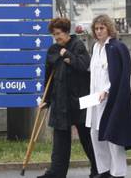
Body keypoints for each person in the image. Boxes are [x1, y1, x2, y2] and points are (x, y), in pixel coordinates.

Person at [38, 18, 98, 178]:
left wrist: (68, 55)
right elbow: (48, 77)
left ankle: (98, 169)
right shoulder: (53, 50)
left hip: (79, 99)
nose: (56, 37)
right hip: (60, 100)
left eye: (58, 33)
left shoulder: (77, 45)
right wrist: (46, 99)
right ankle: (56, 173)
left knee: (87, 138)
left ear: (66, 32)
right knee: (60, 141)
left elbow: (85, 65)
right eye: (54, 34)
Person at [86, 14, 131, 178]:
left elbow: (119, 75)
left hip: (111, 99)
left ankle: (118, 173)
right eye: (96, 28)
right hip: (95, 100)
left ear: (109, 28)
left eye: (102, 28)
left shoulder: (117, 47)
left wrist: (107, 90)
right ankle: (104, 170)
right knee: (95, 134)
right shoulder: (96, 47)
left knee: (113, 137)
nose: (99, 31)